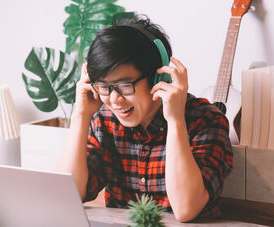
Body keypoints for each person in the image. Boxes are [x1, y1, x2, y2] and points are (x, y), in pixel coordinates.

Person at [56, 15, 233, 222]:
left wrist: (175, 121)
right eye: (104, 87)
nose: (114, 100)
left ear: (159, 77)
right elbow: (66, 196)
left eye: (124, 86)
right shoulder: (104, 121)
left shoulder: (206, 120)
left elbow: (186, 209)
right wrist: (80, 115)